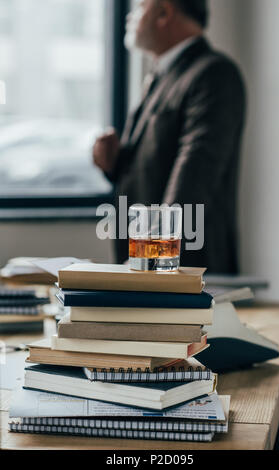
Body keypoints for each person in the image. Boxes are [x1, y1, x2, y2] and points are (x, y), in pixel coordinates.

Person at [93, 0, 246, 274]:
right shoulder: (162, 75)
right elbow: (152, 166)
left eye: (140, 7)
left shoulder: (213, 74)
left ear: (164, 12)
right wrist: (114, 163)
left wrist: (151, 255)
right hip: (153, 269)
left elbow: (195, 175)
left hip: (187, 275)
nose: (131, 17)